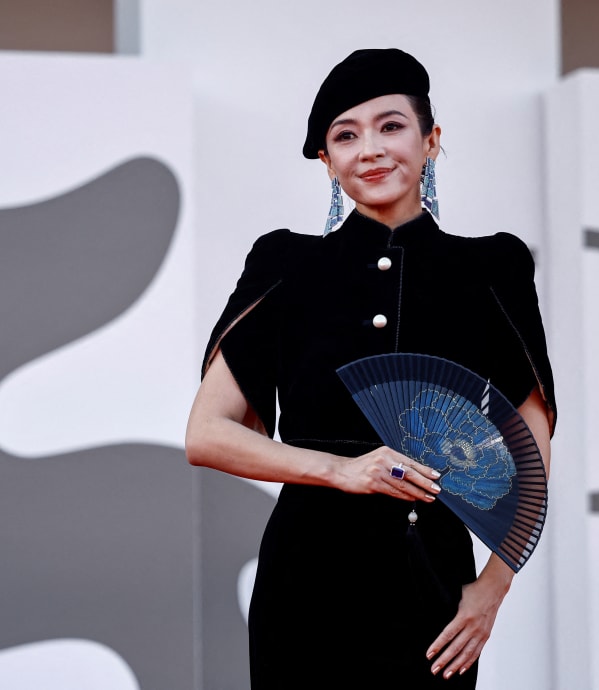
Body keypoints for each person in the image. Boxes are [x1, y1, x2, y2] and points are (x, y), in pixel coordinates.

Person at [185, 48, 556, 689]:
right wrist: (341, 470)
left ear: (430, 140)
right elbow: (206, 435)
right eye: (346, 136)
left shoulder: (491, 268)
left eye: (392, 126)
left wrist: (493, 587)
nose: (372, 150)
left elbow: (532, 439)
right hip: (305, 583)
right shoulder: (284, 264)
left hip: (435, 585)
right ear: (327, 163)